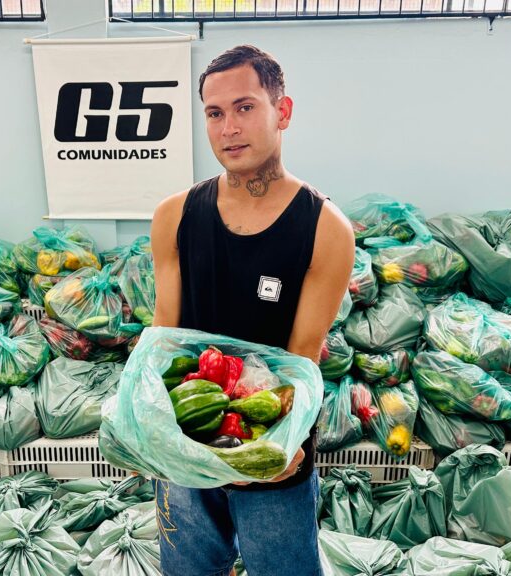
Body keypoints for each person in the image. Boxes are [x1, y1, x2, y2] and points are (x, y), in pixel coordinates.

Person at [149, 45, 355, 576]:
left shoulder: (325, 229)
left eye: (245, 107)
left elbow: (302, 359)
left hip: (271, 445)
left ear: (282, 111)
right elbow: (164, 333)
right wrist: (147, 425)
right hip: (187, 439)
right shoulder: (174, 217)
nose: (228, 128)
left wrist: (279, 443)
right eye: (215, 114)